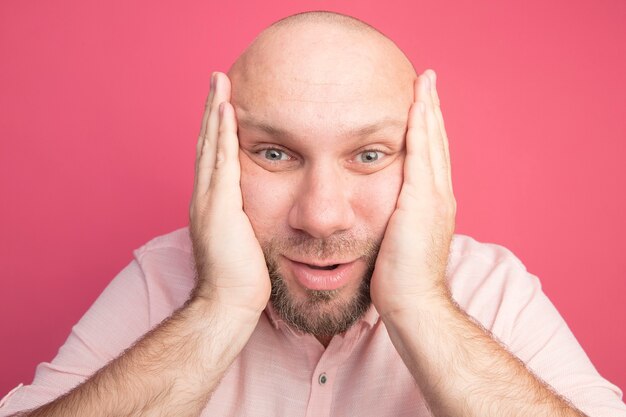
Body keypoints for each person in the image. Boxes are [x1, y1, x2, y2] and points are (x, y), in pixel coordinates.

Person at [1, 10, 624, 417]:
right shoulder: (163, 278)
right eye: (275, 153)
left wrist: (422, 307)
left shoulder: (491, 288)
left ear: (425, 162)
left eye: (370, 154)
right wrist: (218, 308)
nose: (321, 216)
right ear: (218, 157)